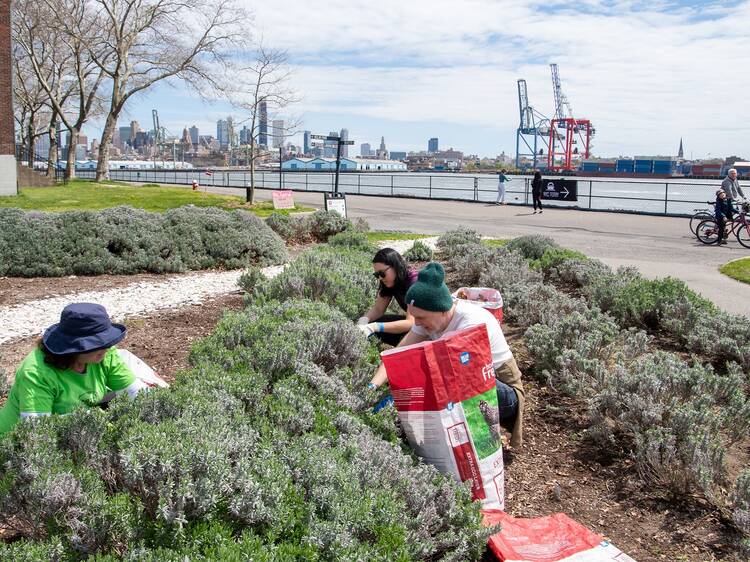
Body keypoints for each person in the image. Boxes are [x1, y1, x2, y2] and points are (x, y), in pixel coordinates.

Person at [368, 262, 525, 449]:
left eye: (421, 318)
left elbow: (449, 375)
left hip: (503, 392)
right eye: (415, 317)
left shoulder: (470, 323)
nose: (416, 323)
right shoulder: (429, 317)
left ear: (442, 309)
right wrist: (372, 387)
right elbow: (397, 355)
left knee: (444, 374)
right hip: (466, 386)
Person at [0, 303, 151, 435]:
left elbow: (136, 394)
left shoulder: (105, 353)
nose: (107, 347)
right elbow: (36, 430)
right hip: (16, 447)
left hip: (72, 432)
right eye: (98, 343)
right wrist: (91, 418)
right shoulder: (37, 372)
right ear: (74, 346)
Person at [358, 248, 418, 346]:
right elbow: (378, 309)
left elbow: (411, 322)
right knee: (373, 321)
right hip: (419, 325)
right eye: (377, 275)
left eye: (382, 273)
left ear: (395, 267)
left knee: (404, 336)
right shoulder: (392, 281)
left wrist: (375, 327)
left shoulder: (414, 282)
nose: (380, 278)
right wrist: (365, 320)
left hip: (432, 328)